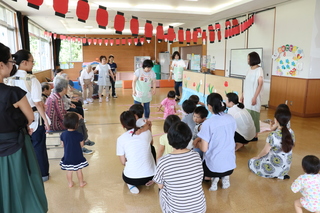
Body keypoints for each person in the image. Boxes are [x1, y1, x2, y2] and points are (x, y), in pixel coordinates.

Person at [0, 42, 48, 213]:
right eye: (10, 61)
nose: (12, 65)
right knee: (22, 181)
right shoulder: (12, 92)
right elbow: (29, 117)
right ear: (1, 65)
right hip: (15, 145)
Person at [6, 49, 50, 182]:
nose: (33, 64)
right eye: (32, 61)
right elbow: (37, 102)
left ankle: (27, 174)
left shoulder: (9, 80)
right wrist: (46, 120)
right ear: (24, 62)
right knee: (39, 147)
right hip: (34, 117)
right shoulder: (32, 79)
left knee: (23, 147)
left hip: (17, 120)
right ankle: (43, 174)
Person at [153, 121, 206, 213]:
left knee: (161, 190)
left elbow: (160, 185)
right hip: (200, 209)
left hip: (176, 210)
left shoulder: (163, 161)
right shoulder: (196, 156)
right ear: (189, 138)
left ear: (169, 140)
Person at [194, 93, 236, 191]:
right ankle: (223, 177)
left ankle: (213, 177)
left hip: (212, 168)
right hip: (230, 166)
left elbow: (204, 148)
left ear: (209, 106)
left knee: (197, 157)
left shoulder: (208, 123)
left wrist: (196, 143)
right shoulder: (230, 118)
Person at [45, 77, 94, 154]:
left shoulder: (55, 96)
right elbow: (62, 116)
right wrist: (75, 116)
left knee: (79, 118)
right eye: (67, 87)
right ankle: (80, 146)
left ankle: (83, 141)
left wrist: (75, 114)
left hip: (53, 121)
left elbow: (62, 112)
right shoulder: (57, 99)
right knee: (77, 122)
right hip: (55, 124)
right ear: (63, 88)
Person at [248, 108, 295, 179]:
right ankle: (279, 175)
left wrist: (258, 156)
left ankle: (273, 174)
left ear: (276, 120)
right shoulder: (291, 132)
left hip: (273, 168)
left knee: (251, 161)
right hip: (285, 169)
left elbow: (265, 151)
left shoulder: (273, 135)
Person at [116, 111, 156, 194]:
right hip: (150, 176)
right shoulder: (146, 133)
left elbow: (123, 162)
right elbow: (151, 143)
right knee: (150, 149)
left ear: (123, 125)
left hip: (131, 178)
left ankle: (131, 185)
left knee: (125, 172)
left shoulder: (121, 139)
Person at [60, 112, 89, 188]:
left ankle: (70, 183)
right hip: (77, 155)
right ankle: (81, 183)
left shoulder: (63, 134)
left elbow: (62, 144)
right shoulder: (79, 134)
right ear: (76, 124)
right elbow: (82, 145)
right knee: (79, 170)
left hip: (68, 156)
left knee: (69, 171)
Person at [241, 51, 263, 141]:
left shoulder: (259, 70)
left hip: (254, 97)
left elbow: (260, 85)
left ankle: (255, 135)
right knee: (247, 115)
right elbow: (246, 84)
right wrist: (242, 95)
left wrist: (254, 97)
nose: (248, 60)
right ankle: (249, 133)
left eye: (249, 58)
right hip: (247, 96)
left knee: (254, 116)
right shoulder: (249, 70)